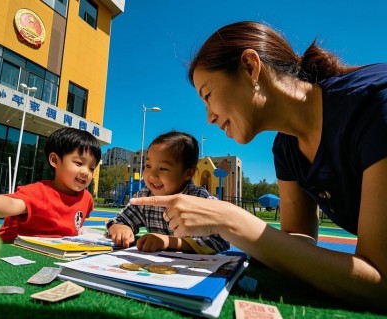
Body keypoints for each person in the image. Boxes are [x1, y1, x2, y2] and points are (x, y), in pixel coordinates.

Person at [130, 21, 387, 311]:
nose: (209, 118)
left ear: (250, 67)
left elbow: (379, 283)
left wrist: (231, 220)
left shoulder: (375, 103)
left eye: (208, 95)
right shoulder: (286, 148)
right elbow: (296, 243)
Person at [107, 131, 229, 254]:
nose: (152, 175)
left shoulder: (200, 199)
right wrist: (121, 228)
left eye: (163, 168)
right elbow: (118, 221)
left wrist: (169, 242)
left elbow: (220, 240)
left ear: (188, 173)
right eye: (148, 165)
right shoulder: (145, 196)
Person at [0, 127, 101, 242]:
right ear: (55, 160)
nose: (86, 172)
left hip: (53, 253)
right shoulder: (39, 193)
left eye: (91, 168)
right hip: (8, 247)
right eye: (79, 163)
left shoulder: (87, 199)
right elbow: (11, 204)